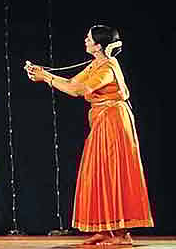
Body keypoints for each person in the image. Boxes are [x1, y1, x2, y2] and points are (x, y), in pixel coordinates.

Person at [25, 25, 154, 245]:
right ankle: (105, 230)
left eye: (89, 38)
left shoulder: (108, 67)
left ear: (99, 45)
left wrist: (46, 77)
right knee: (98, 171)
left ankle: (121, 234)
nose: (85, 40)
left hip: (114, 122)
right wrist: (44, 75)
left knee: (113, 171)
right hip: (102, 121)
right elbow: (72, 83)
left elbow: (79, 91)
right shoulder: (96, 64)